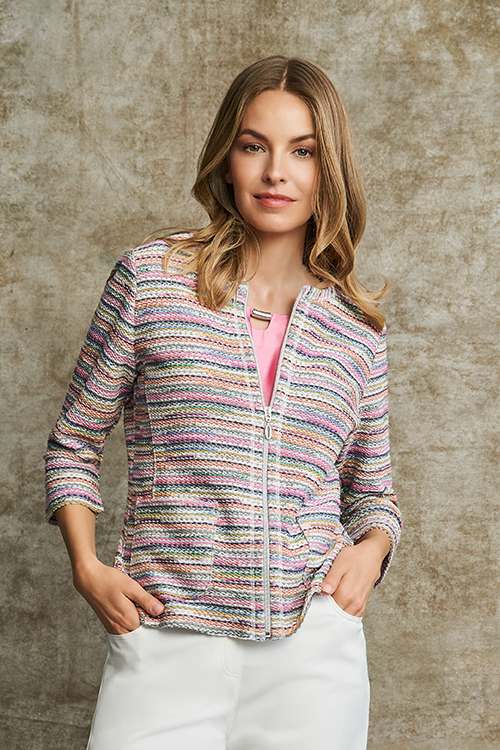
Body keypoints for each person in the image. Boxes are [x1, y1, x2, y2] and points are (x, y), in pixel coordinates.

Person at [44, 54, 403, 750]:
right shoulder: (151, 281)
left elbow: (374, 494)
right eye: (254, 146)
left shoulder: (356, 329)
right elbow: (74, 442)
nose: (276, 173)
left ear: (329, 169)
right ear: (227, 159)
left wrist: (371, 553)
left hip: (313, 652)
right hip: (164, 636)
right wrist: (88, 568)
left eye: (303, 151)